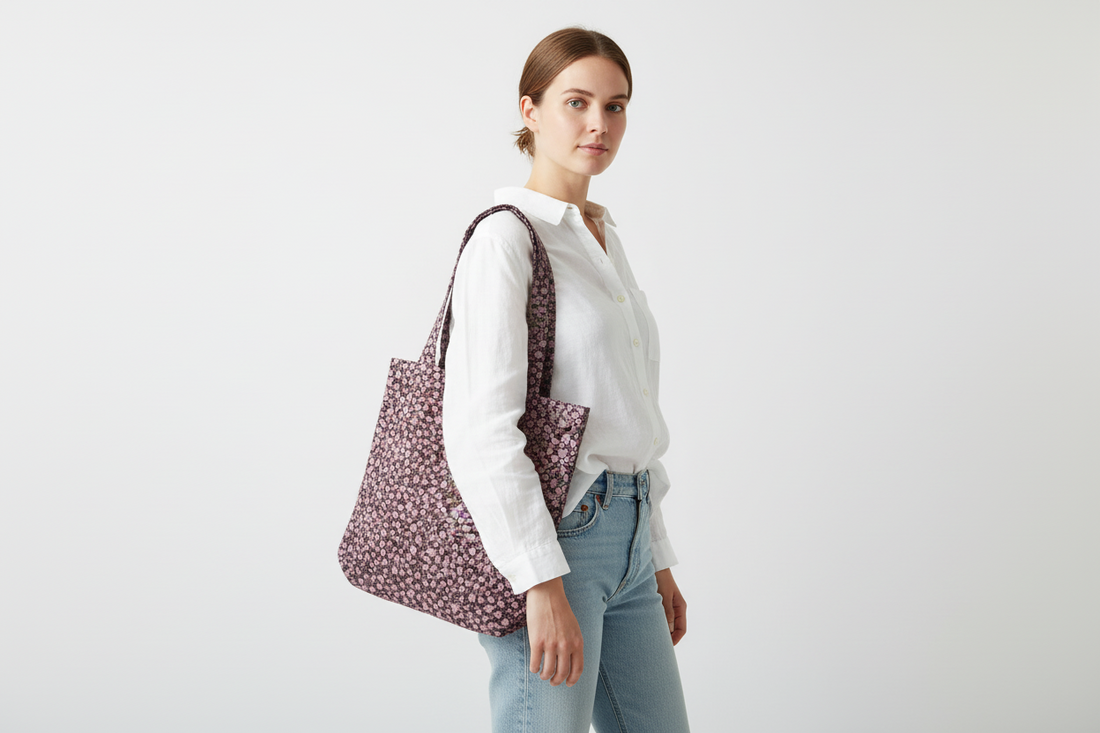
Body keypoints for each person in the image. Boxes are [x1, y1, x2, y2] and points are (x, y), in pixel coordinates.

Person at [441, 26, 691, 733]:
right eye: (576, 102)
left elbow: (626, 413)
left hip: (631, 535)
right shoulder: (506, 238)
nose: (597, 124)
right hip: (557, 540)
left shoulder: (601, 238)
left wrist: (658, 554)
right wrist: (538, 580)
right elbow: (480, 428)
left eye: (615, 107)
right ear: (530, 110)